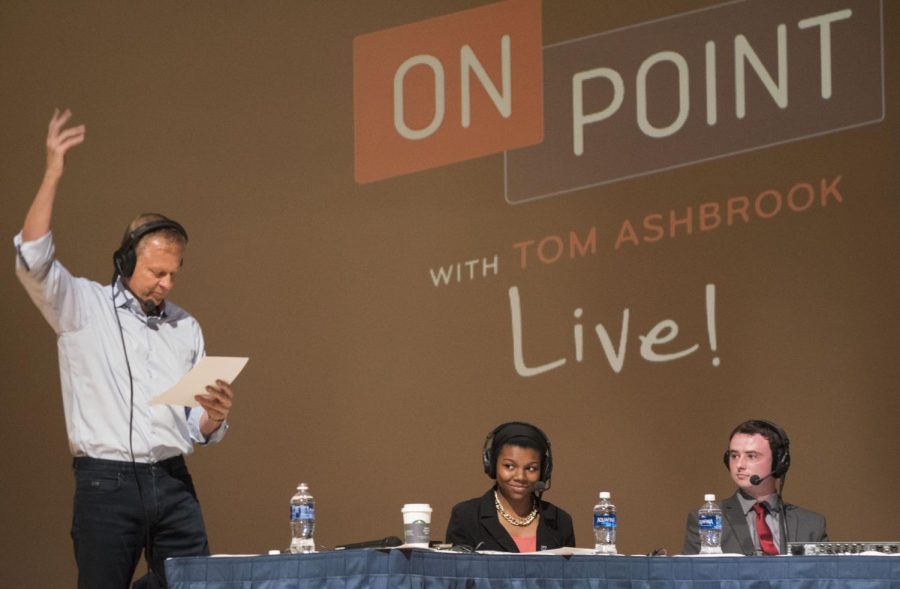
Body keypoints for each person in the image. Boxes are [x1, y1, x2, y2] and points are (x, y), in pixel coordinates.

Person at [14, 109, 236, 588]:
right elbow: (33, 259)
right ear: (125, 260)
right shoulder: (82, 307)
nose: (166, 282)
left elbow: (191, 423)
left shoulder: (185, 326)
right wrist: (52, 171)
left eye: (174, 272)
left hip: (173, 481)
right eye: (157, 271)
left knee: (199, 584)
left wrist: (213, 417)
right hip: (105, 484)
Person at [682, 419, 827, 555]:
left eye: (751, 456)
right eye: (734, 456)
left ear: (778, 463)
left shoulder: (811, 524)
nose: (739, 465)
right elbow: (694, 578)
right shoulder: (707, 519)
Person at [445, 421, 575, 552]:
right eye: (509, 466)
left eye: (531, 468)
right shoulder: (466, 516)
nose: (520, 477)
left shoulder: (560, 521)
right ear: (492, 465)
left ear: (544, 471)